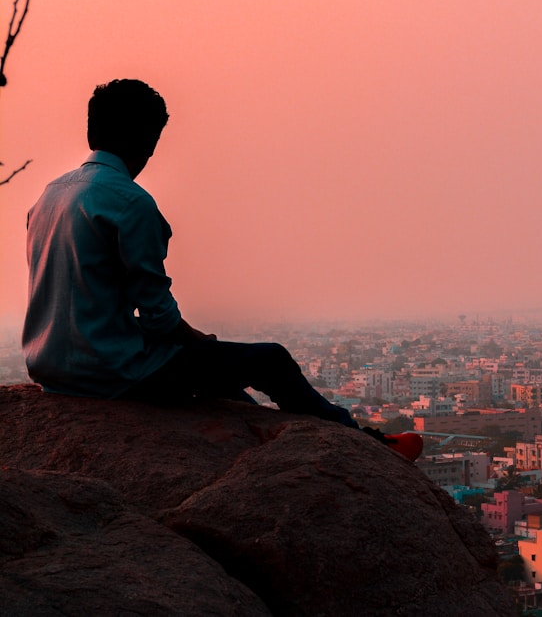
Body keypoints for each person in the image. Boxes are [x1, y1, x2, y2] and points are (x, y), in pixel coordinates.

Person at [23, 79, 422, 462]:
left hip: (53, 368)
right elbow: (158, 315)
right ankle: (367, 445)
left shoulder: (50, 195)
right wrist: (199, 341)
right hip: (109, 371)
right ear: (146, 139)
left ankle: (266, 440)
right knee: (271, 361)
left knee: (222, 379)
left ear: (93, 131)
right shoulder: (129, 203)